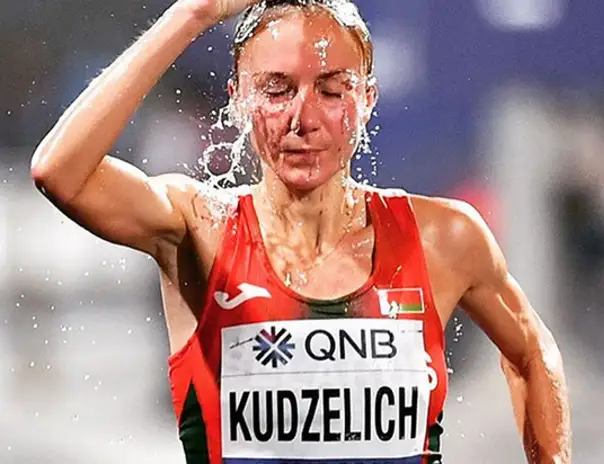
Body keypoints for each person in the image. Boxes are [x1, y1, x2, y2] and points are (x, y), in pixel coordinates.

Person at [30, 0, 571, 463]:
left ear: (368, 99)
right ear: (238, 98)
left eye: (332, 92)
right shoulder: (200, 226)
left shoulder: (443, 238)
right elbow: (60, 172)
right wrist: (192, 15)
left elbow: (532, 352)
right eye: (276, 90)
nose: (302, 119)